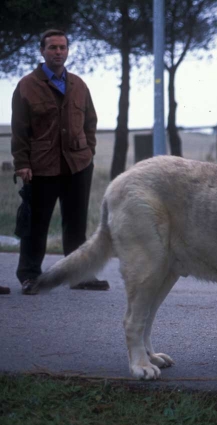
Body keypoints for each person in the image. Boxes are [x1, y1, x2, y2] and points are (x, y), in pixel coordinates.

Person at [11, 29, 109, 295]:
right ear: (42, 51)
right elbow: (20, 130)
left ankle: (79, 276)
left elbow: (90, 121)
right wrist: (23, 163)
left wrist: (88, 151)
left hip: (77, 165)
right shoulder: (27, 85)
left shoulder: (78, 84)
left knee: (76, 223)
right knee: (36, 225)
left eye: (62, 47)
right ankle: (30, 276)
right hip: (42, 166)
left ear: (67, 51)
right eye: (52, 47)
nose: (58, 52)